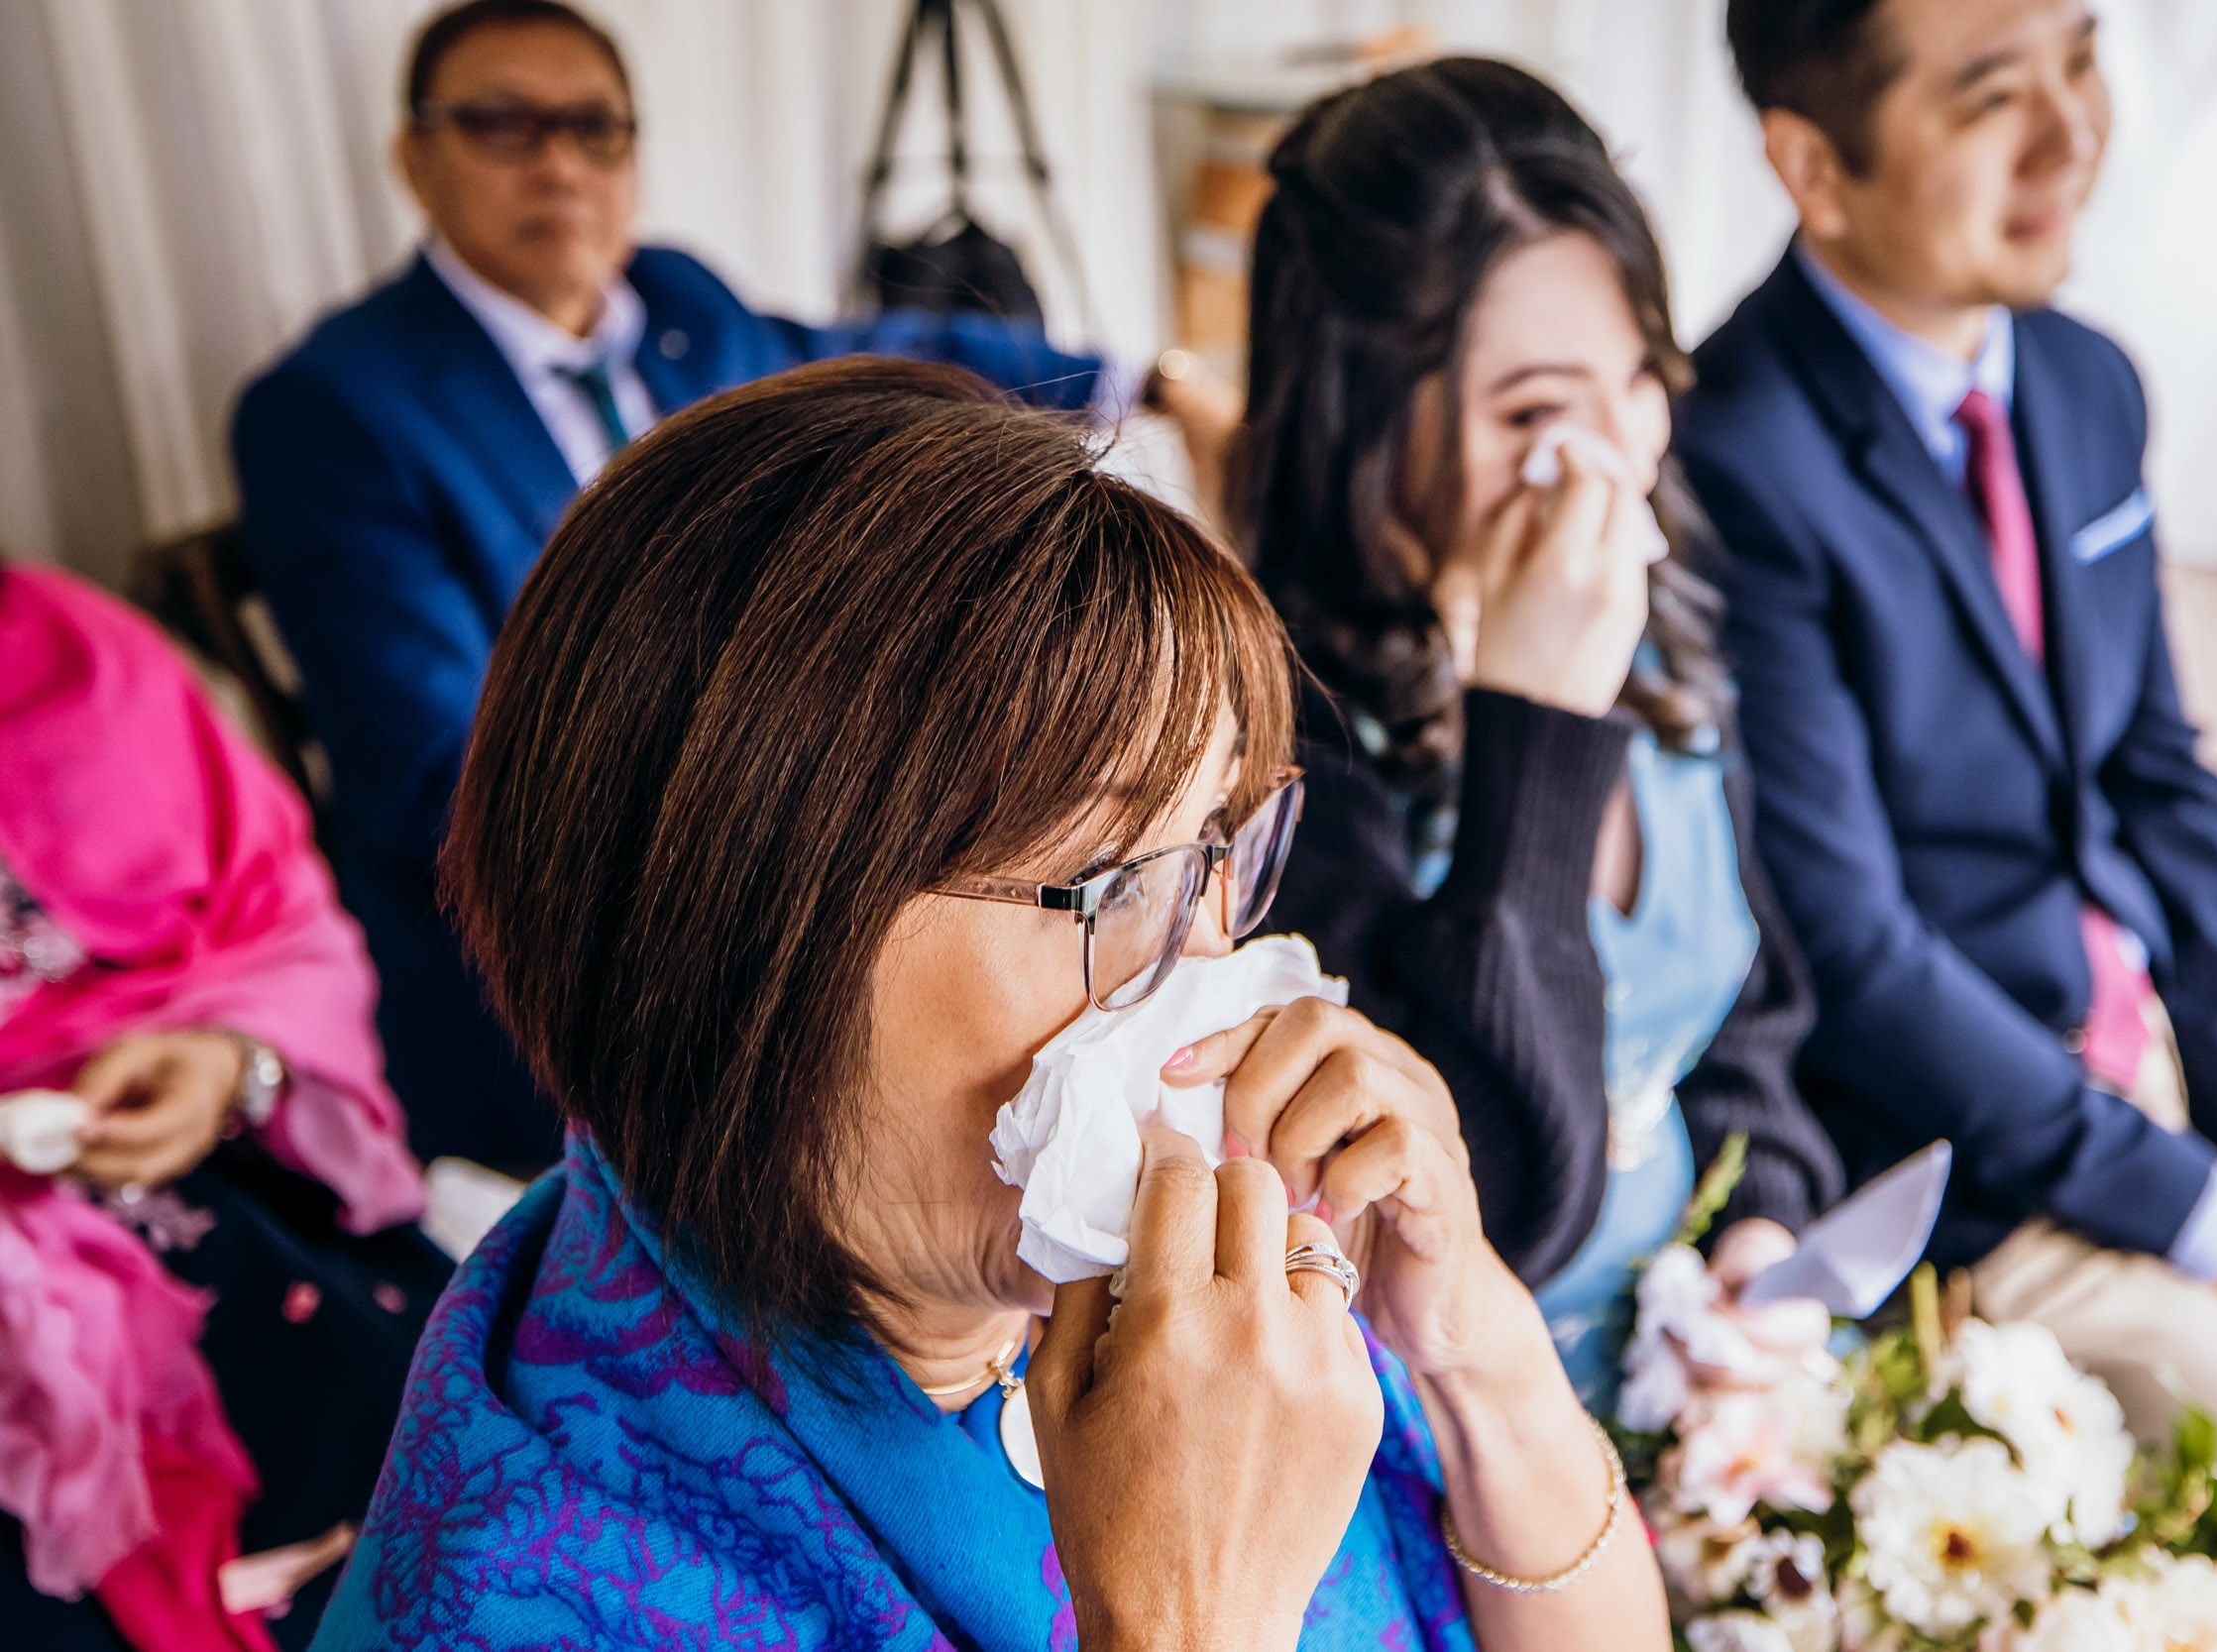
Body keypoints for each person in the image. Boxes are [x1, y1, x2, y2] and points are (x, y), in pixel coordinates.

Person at [310, 358, 1665, 1649]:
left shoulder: (1179, 1268)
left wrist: (1475, 1348)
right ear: (742, 949)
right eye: (1106, 879)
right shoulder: (526, 1595)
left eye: (1220, 850)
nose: (1207, 964)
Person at [1676, 1, 2217, 1636]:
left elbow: (2160, 780)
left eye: (2081, 60)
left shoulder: (2084, 382)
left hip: (2144, 1049)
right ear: (1813, 167)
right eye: (1991, 97)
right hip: (1979, 1166)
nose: (2072, 134)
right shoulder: (1730, 453)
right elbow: (1859, 960)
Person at [231, 0, 1103, 1173]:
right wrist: (772, 830)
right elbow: (437, 776)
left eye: (594, 128)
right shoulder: (333, 408)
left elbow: (860, 350)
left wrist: (1136, 378)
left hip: (784, 820)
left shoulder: (682, 306)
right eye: (502, 125)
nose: (555, 163)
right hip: (564, 942)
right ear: (413, 158)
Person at [1228, 57, 1843, 1410]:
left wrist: (1766, 1229)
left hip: (1719, 1358)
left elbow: (1745, 1026)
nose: (1620, 457)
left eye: (1638, 377)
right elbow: (1481, 1195)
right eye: (1536, 414)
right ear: (1359, 426)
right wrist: (1537, 726)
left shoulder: (1656, 621)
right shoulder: (1280, 759)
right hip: (1476, 1422)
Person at [0, 563, 449, 1651]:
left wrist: (228, 1060)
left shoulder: (72, 655)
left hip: (245, 1211)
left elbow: (283, 928)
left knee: (456, 1463)